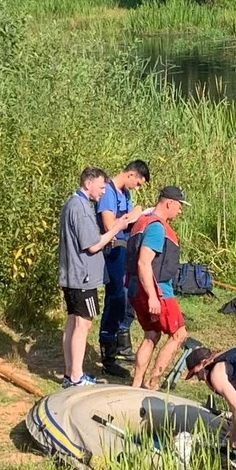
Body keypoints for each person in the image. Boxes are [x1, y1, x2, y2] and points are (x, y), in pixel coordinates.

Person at [59, 167, 134, 388]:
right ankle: (75, 376)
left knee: (73, 323)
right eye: (101, 187)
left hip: (73, 274)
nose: (103, 192)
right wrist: (118, 227)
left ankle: (69, 374)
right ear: (88, 183)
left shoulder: (74, 203)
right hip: (83, 277)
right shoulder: (80, 208)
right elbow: (92, 246)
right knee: (83, 325)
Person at [125, 185, 189, 390]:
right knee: (179, 335)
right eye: (179, 205)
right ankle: (152, 383)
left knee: (151, 334)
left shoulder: (142, 222)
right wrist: (153, 297)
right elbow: (144, 262)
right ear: (169, 202)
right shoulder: (156, 227)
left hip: (135, 288)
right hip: (157, 291)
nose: (180, 210)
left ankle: (136, 385)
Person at [96, 160, 151, 378]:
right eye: (137, 183)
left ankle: (120, 344)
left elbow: (126, 222)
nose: (136, 188)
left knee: (127, 298)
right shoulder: (108, 192)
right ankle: (107, 354)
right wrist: (131, 216)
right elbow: (110, 226)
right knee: (116, 298)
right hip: (112, 250)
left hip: (123, 250)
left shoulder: (124, 194)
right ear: (130, 174)